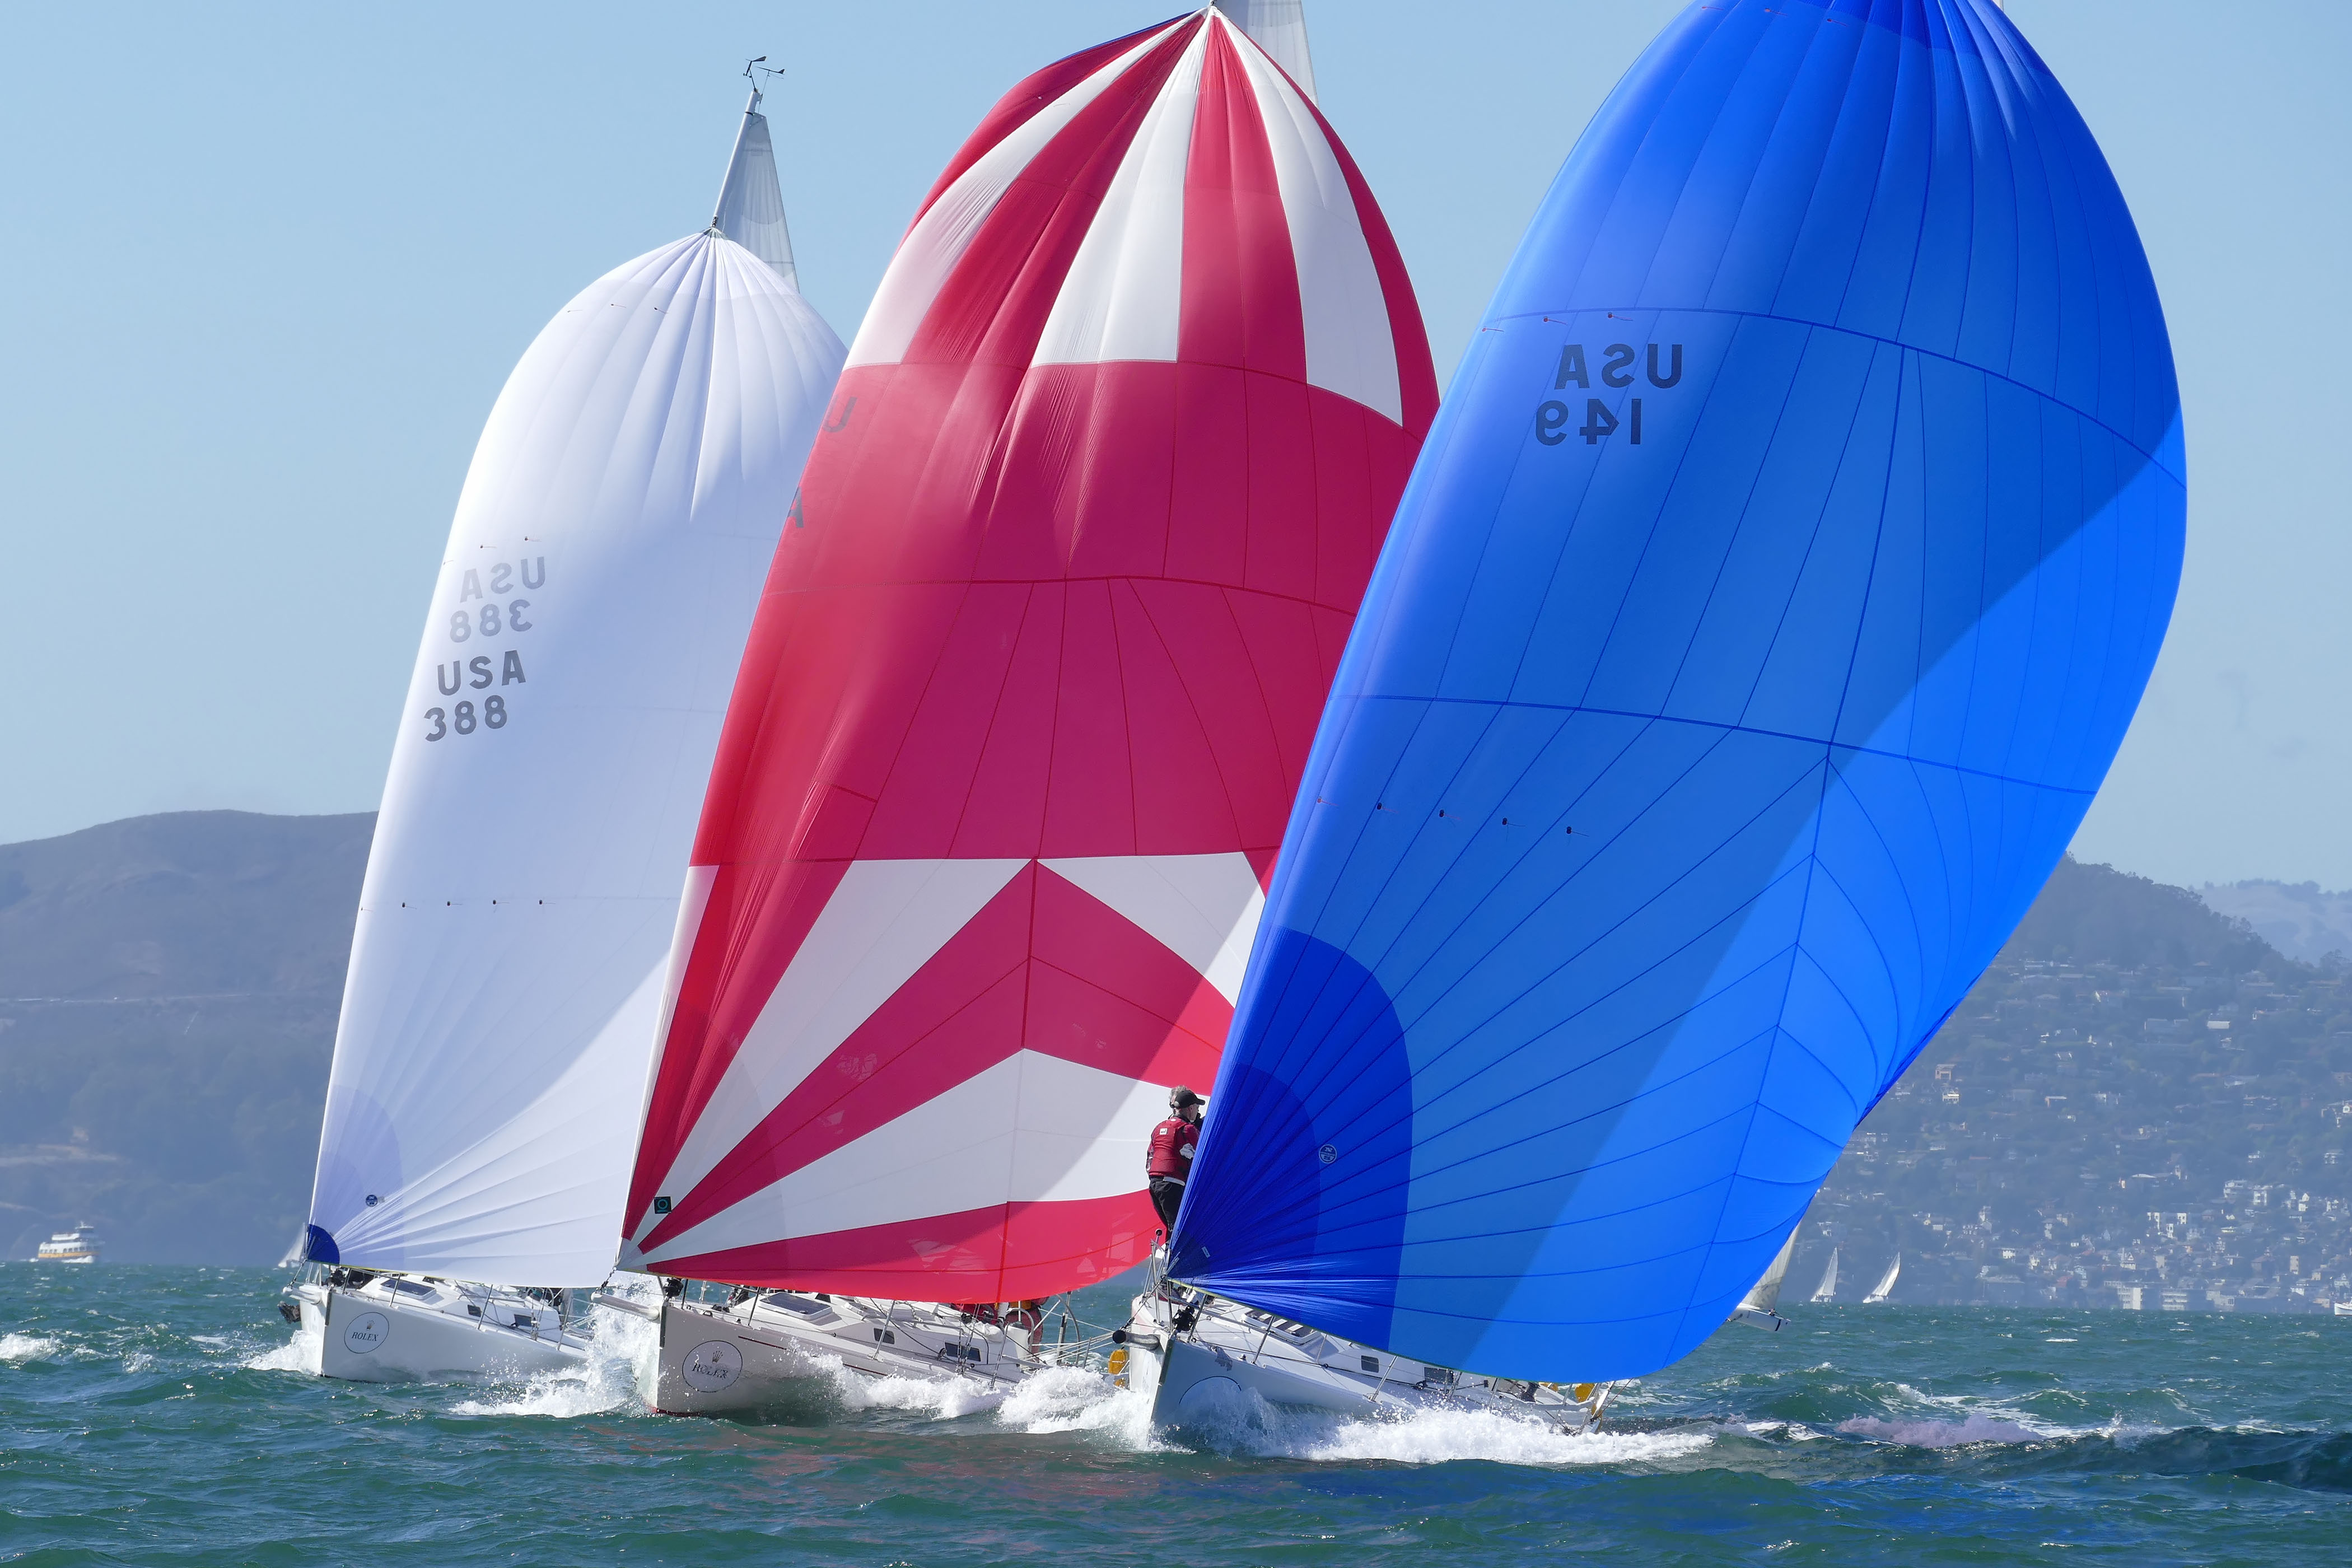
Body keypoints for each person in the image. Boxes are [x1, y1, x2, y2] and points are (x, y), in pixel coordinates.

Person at [1146, 1086, 1205, 1237]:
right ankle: (1175, 1253)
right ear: (1190, 1108)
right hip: (1173, 1185)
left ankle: (1170, 1250)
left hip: (1155, 1186)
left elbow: (1150, 1157)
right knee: (1180, 1231)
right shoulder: (1188, 1129)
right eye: (1197, 1107)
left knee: (1172, 1228)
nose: (1197, 1111)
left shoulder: (1159, 1127)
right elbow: (1203, 1156)